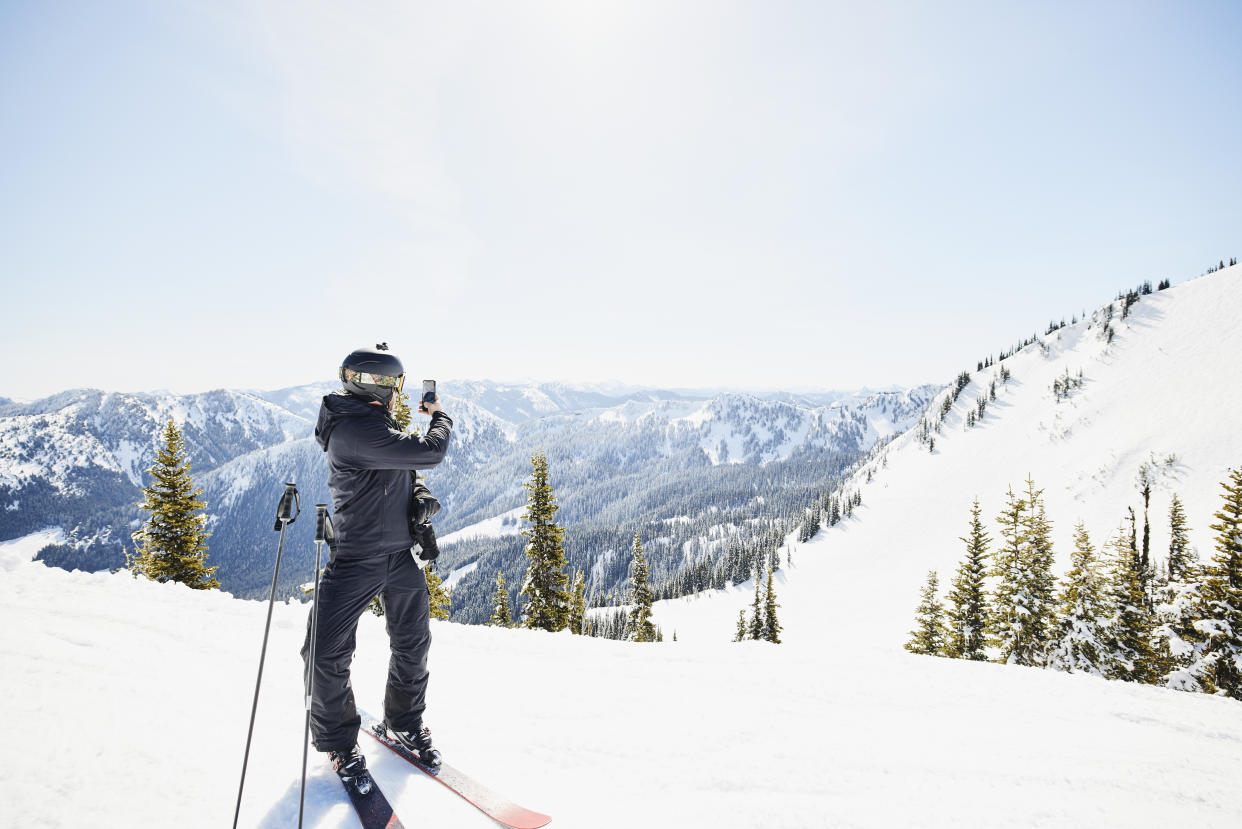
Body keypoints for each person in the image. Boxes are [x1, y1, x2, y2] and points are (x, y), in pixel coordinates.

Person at [304, 343, 453, 790]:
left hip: (398, 554)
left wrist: (418, 499)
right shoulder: (353, 431)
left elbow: (403, 469)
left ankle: (404, 723)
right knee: (326, 653)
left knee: (413, 644)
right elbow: (426, 452)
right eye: (395, 384)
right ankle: (339, 743)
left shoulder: (373, 424)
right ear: (375, 384)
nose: (399, 393)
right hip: (356, 558)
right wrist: (441, 418)